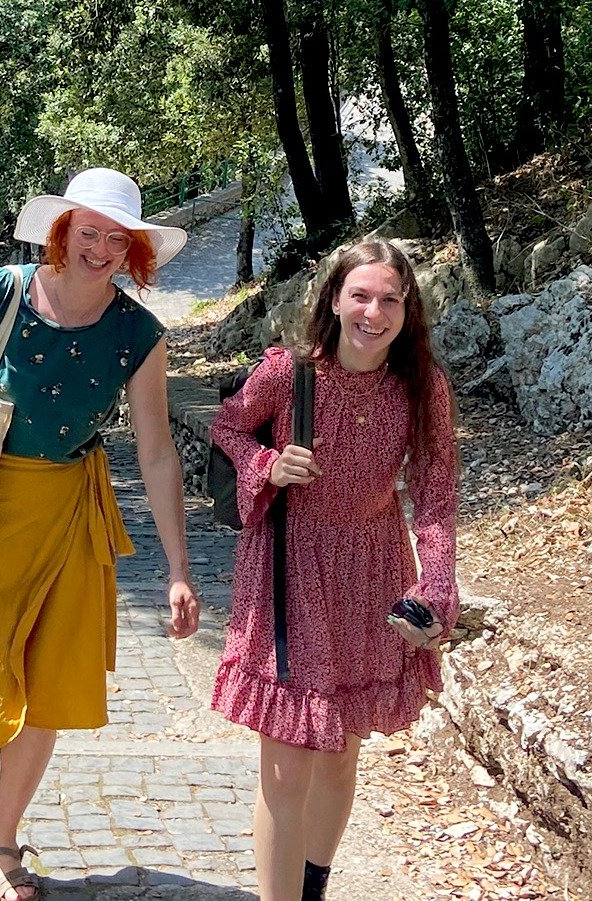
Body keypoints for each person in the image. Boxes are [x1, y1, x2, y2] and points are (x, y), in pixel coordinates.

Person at [0, 168, 202, 901]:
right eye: (88, 231)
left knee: (48, 687)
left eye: (116, 237)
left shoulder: (138, 334)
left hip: (67, 516)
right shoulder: (0, 291)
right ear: (61, 231)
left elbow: (155, 450)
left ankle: (4, 840)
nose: (100, 247)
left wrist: (179, 566)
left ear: (134, 250)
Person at [208, 239, 459, 901]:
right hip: (290, 570)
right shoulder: (291, 372)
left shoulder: (422, 385)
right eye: (361, 295)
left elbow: (435, 489)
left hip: (371, 569)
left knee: (341, 747)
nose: (373, 312)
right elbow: (229, 427)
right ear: (335, 298)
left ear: (408, 310)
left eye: (389, 299)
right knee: (288, 763)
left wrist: (436, 581)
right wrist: (267, 467)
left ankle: (311, 886)